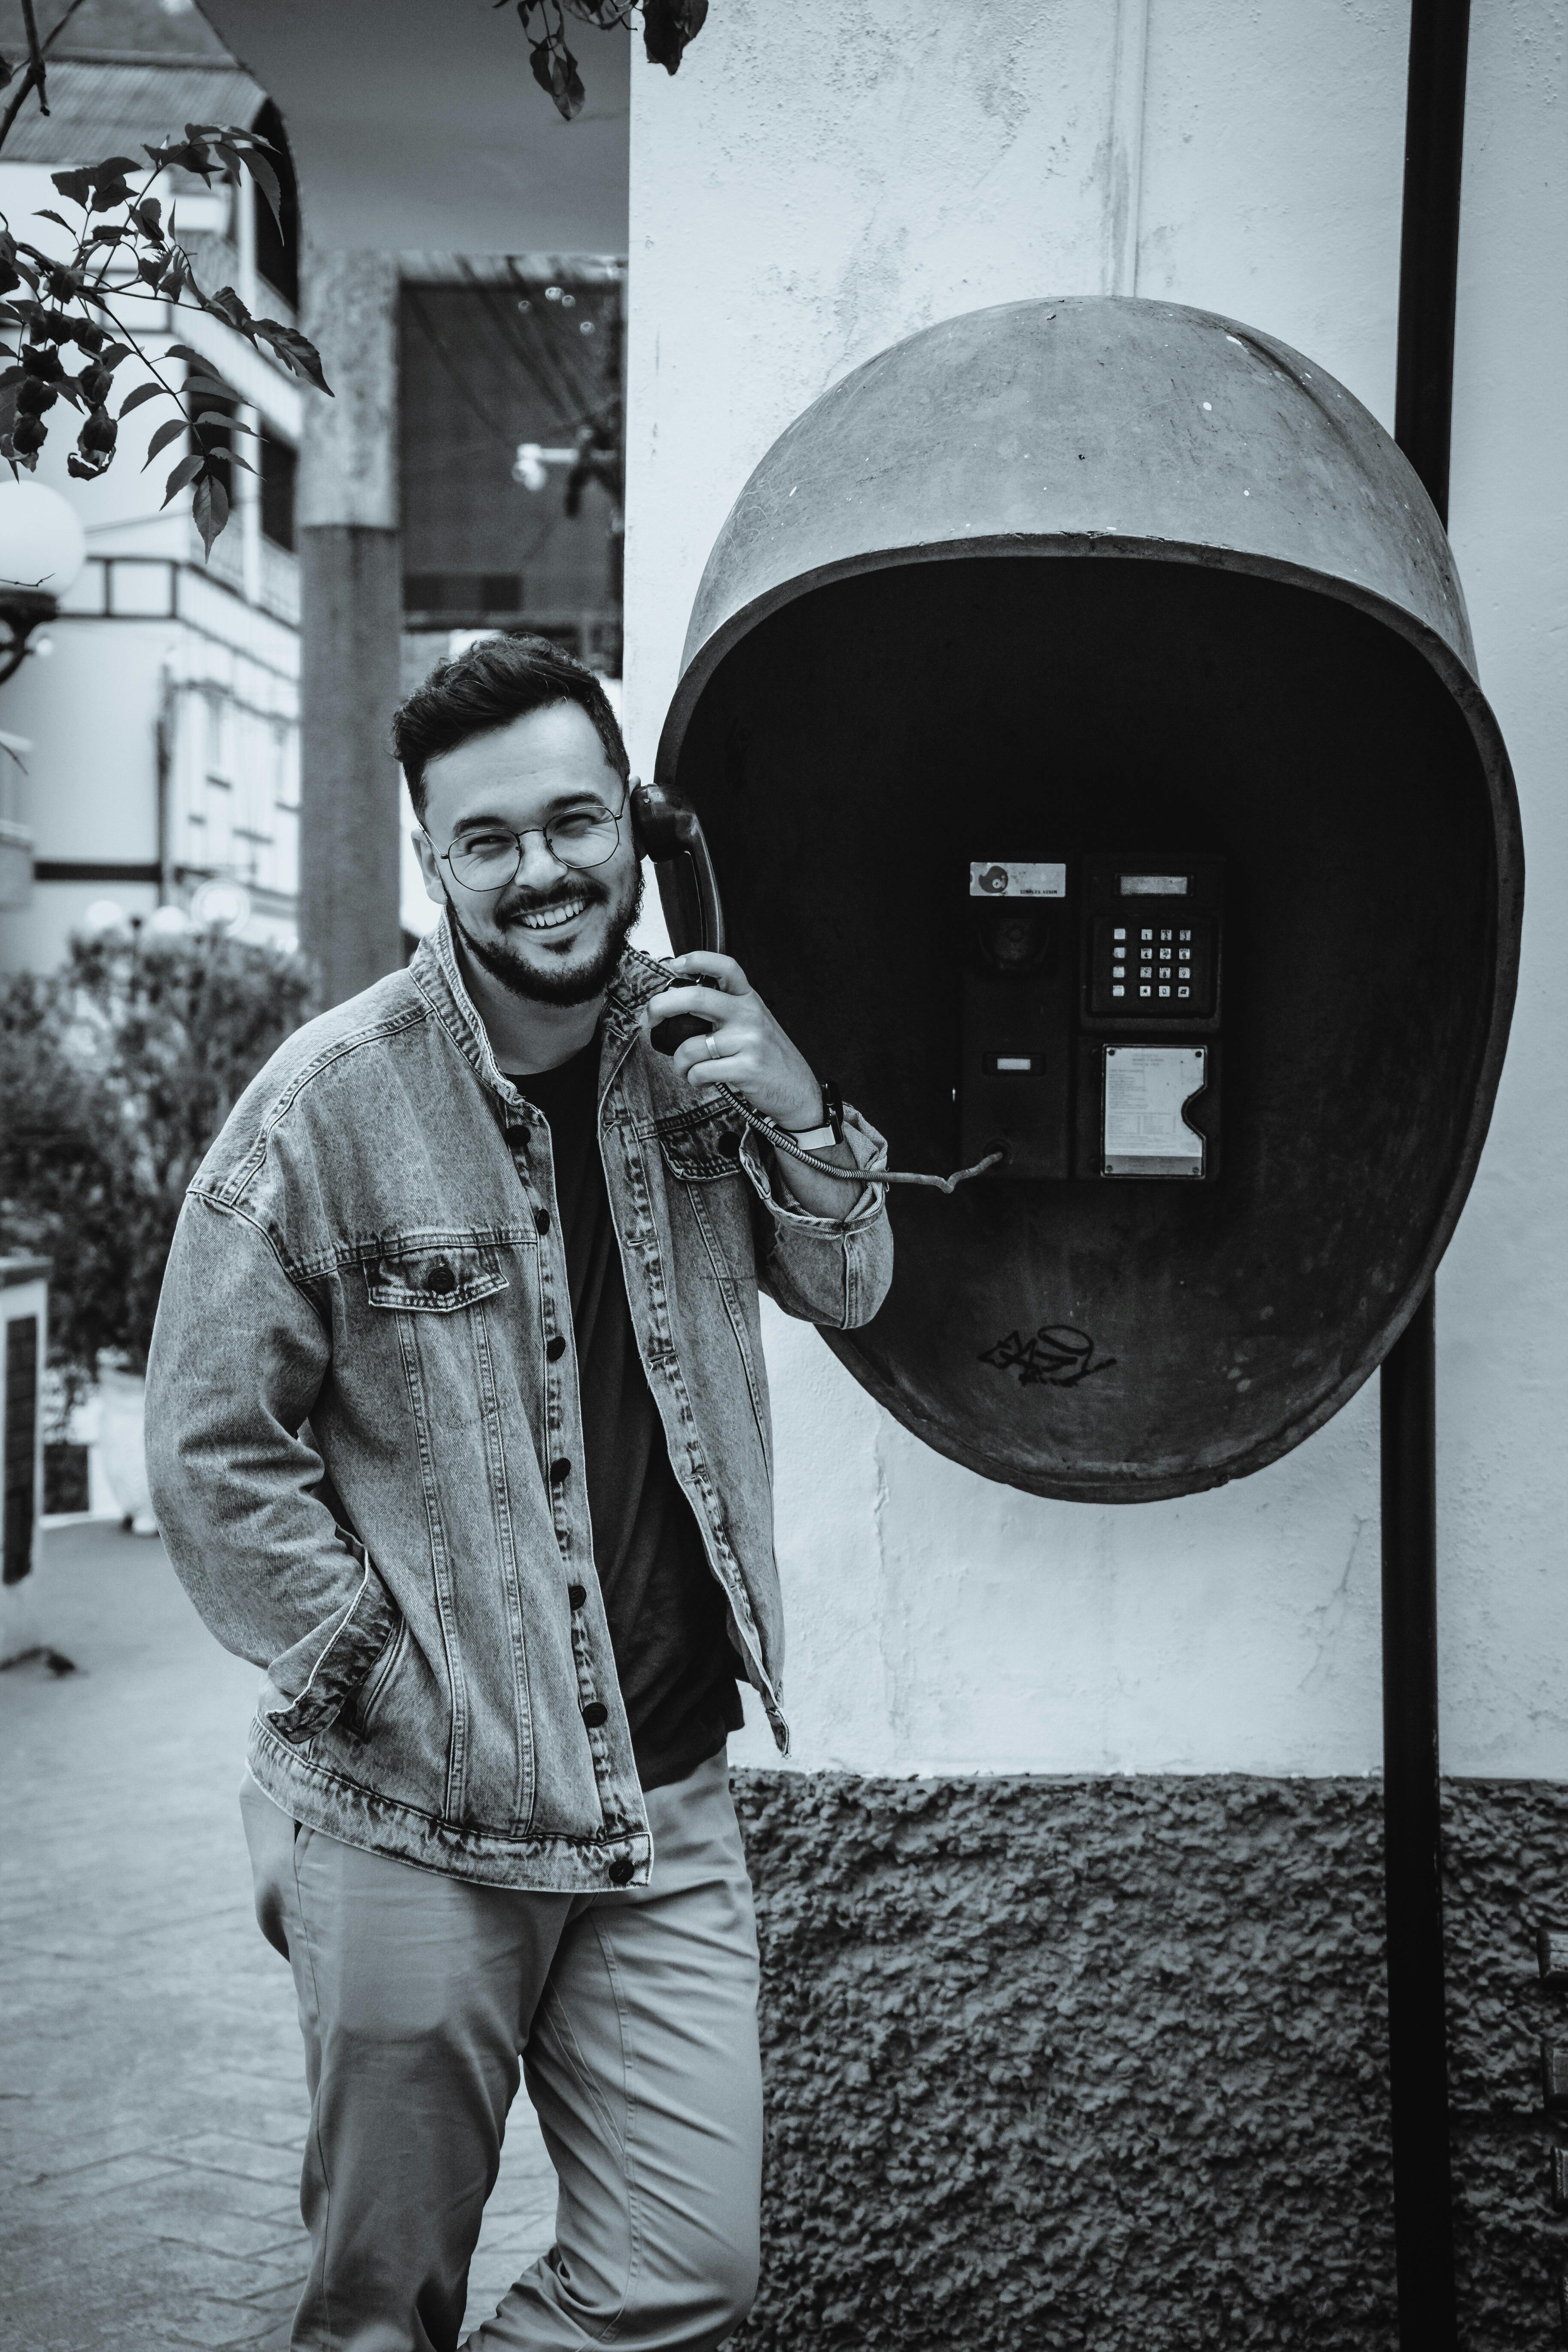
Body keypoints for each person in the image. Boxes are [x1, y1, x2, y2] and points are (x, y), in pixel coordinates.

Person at [144, 634, 894, 2352]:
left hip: (667, 1797)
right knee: (375, 2305)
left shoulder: (702, 1058)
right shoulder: (327, 1105)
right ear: (435, 859)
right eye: (488, 838)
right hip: (417, 1817)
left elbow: (852, 1287)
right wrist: (387, 1681)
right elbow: (207, 1451)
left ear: (633, 827)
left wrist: (799, 1108)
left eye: (573, 820)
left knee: (690, 2269)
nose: (540, 867)